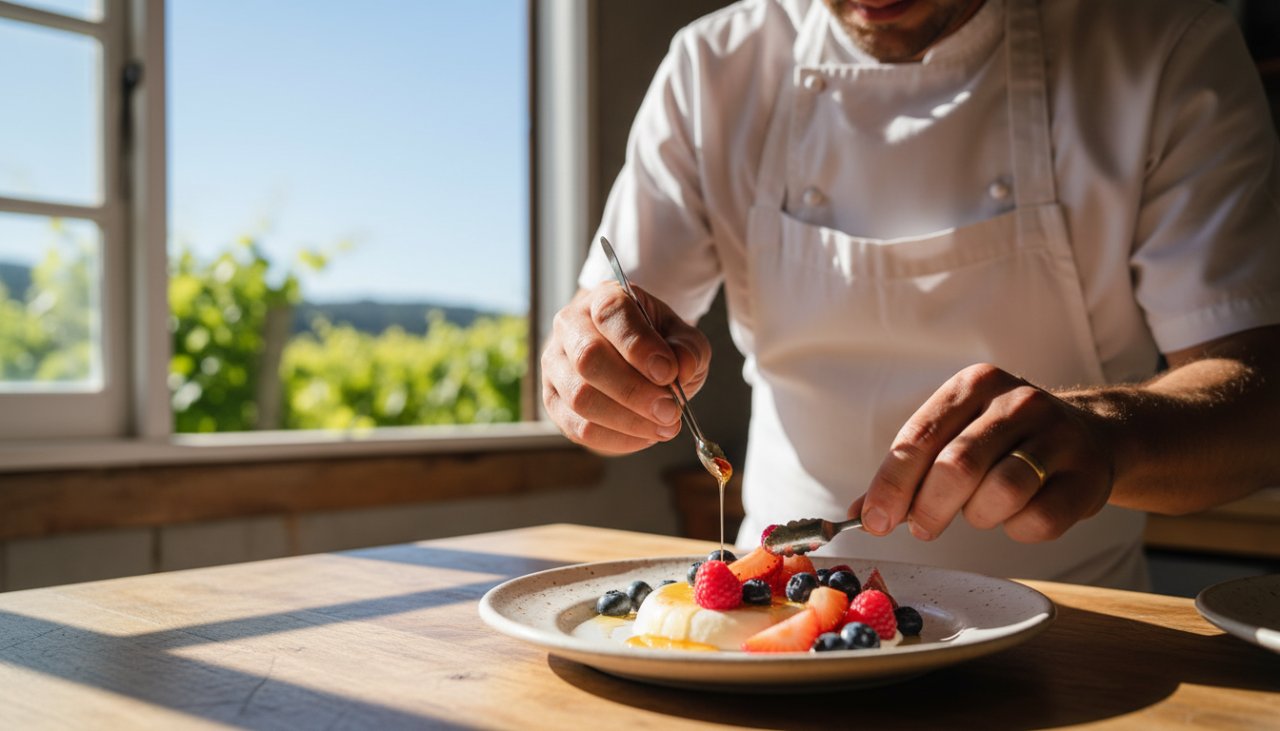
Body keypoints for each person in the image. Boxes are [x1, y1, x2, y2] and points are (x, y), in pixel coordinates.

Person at [541, 0, 1280, 588]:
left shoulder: (1168, 47)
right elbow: (602, 327)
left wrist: (1109, 433)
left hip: (1075, 633)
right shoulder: (713, 68)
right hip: (779, 618)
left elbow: (1263, 400)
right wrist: (592, 367)